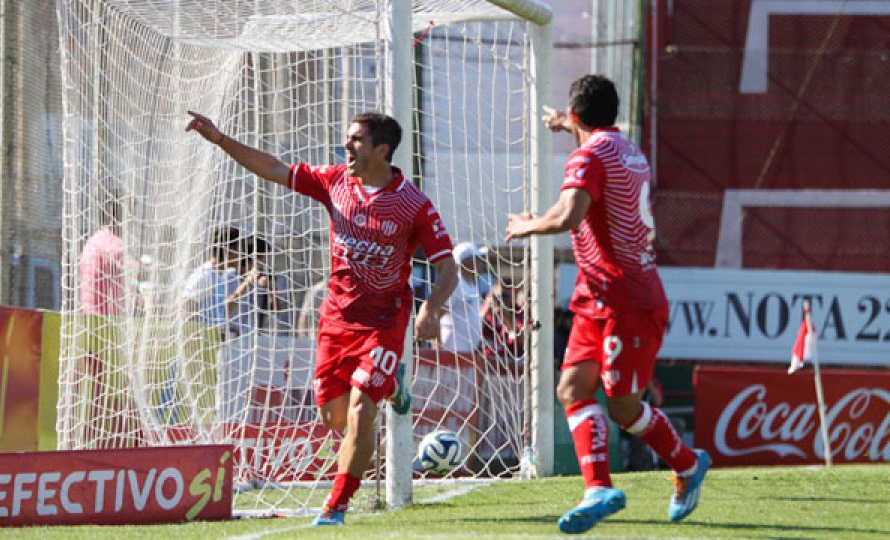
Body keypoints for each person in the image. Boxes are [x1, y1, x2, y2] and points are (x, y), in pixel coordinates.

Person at [186, 110, 458, 527]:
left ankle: (336, 506)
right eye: (348, 138)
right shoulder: (334, 182)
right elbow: (275, 168)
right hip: (335, 321)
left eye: (356, 140)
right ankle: (391, 385)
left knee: (359, 410)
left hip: (383, 322)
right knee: (333, 418)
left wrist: (430, 307)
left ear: (381, 149)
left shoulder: (413, 205)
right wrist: (221, 139)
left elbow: (448, 268)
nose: (347, 145)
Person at [505, 74, 709, 534]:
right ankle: (597, 488)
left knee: (622, 408)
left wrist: (526, 226)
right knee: (573, 390)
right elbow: (594, 155)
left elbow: (569, 214)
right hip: (597, 296)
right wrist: (566, 121)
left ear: (577, 117)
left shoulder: (589, 155)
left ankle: (686, 464)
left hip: (628, 300)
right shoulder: (626, 147)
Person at [79, 199, 128, 316]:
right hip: (108, 322)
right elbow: (134, 272)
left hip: (88, 318)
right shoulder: (115, 244)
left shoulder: (94, 240)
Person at [438, 242, 487, 354]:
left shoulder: (472, 286)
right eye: (479, 258)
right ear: (468, 262)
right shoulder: (454, 285)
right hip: (450, 354)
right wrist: (438, 352)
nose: (483, 262)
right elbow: (436, 315)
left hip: (467, 355)